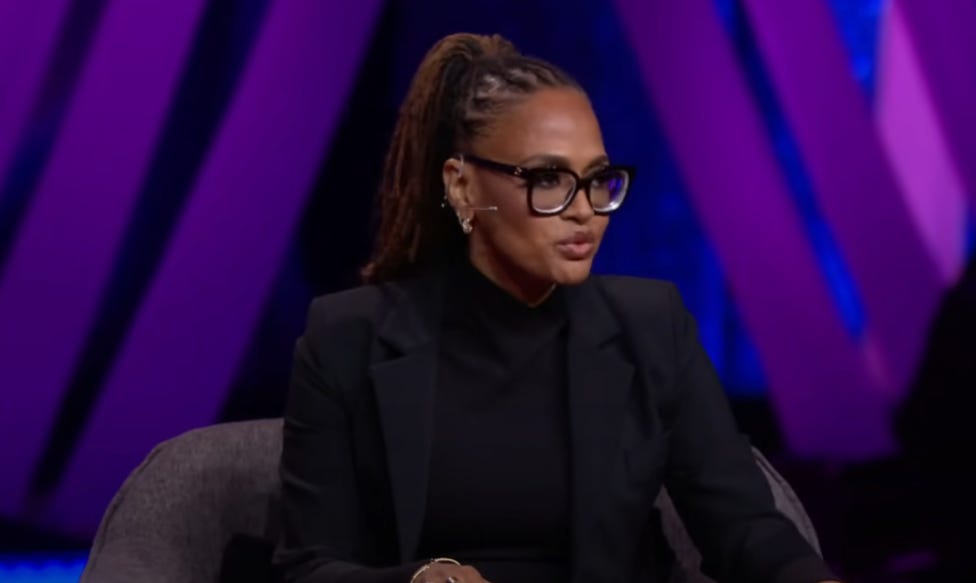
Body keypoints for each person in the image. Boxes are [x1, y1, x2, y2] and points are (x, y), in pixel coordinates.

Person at [274, 32, 840, 583]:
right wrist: (420, 578)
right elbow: (309, 565)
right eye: (548, 179)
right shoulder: (346, 338)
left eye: (597, 180)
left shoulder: (651, 327)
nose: (585, 210)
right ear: (463, 186)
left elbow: (744, 528)